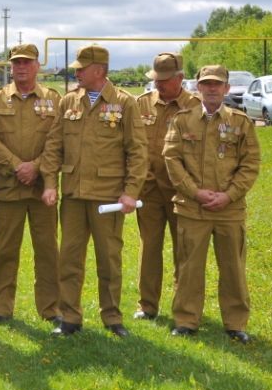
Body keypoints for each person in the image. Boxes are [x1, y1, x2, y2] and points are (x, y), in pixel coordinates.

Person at [40, 45, 148, 338]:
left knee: (109, 259)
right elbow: (54, 146)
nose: (76, 72)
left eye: (81, 68)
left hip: (108, 196)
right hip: (74, 196)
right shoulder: (68, 102)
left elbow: (137, 151)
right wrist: (50, 183)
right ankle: (70, 318)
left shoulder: (124, 103)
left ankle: (112, 317)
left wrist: (130, 192)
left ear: (99, 71)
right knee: (69, 258)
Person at [163, 65, 260, 343]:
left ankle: (236, 322)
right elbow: (171, 159)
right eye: (206, 84)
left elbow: (250, 164)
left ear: (227, 89)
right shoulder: (182, 120)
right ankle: (185, 320)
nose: (212, 88)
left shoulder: (241, 122)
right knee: (189, 267)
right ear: (198, 87)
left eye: (217, 84)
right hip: (193, 208)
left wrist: (228, 195)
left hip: (229, 209)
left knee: (233, 268)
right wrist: (195, 192)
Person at [0, 44, 62, 325]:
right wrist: (17, 166)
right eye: (16, 63)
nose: (21, 68)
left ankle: (51, 309)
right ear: (10, 67)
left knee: (48, 250)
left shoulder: (54, 99)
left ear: (38, 65)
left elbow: (58, 141)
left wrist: (36, 167)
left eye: (27, 62)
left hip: (42, 189)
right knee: (4, 249)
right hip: (8, 187)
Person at [133, 52, 200, 321]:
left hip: (182, 192)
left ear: (180, 78)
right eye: (156, 80)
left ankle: (182, 305)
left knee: (183, 250)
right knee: (149, 247)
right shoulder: (142, 104)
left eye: (164, 80)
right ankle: (147, 306)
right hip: (148, 191)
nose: (158, 84)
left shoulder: (196, 106)